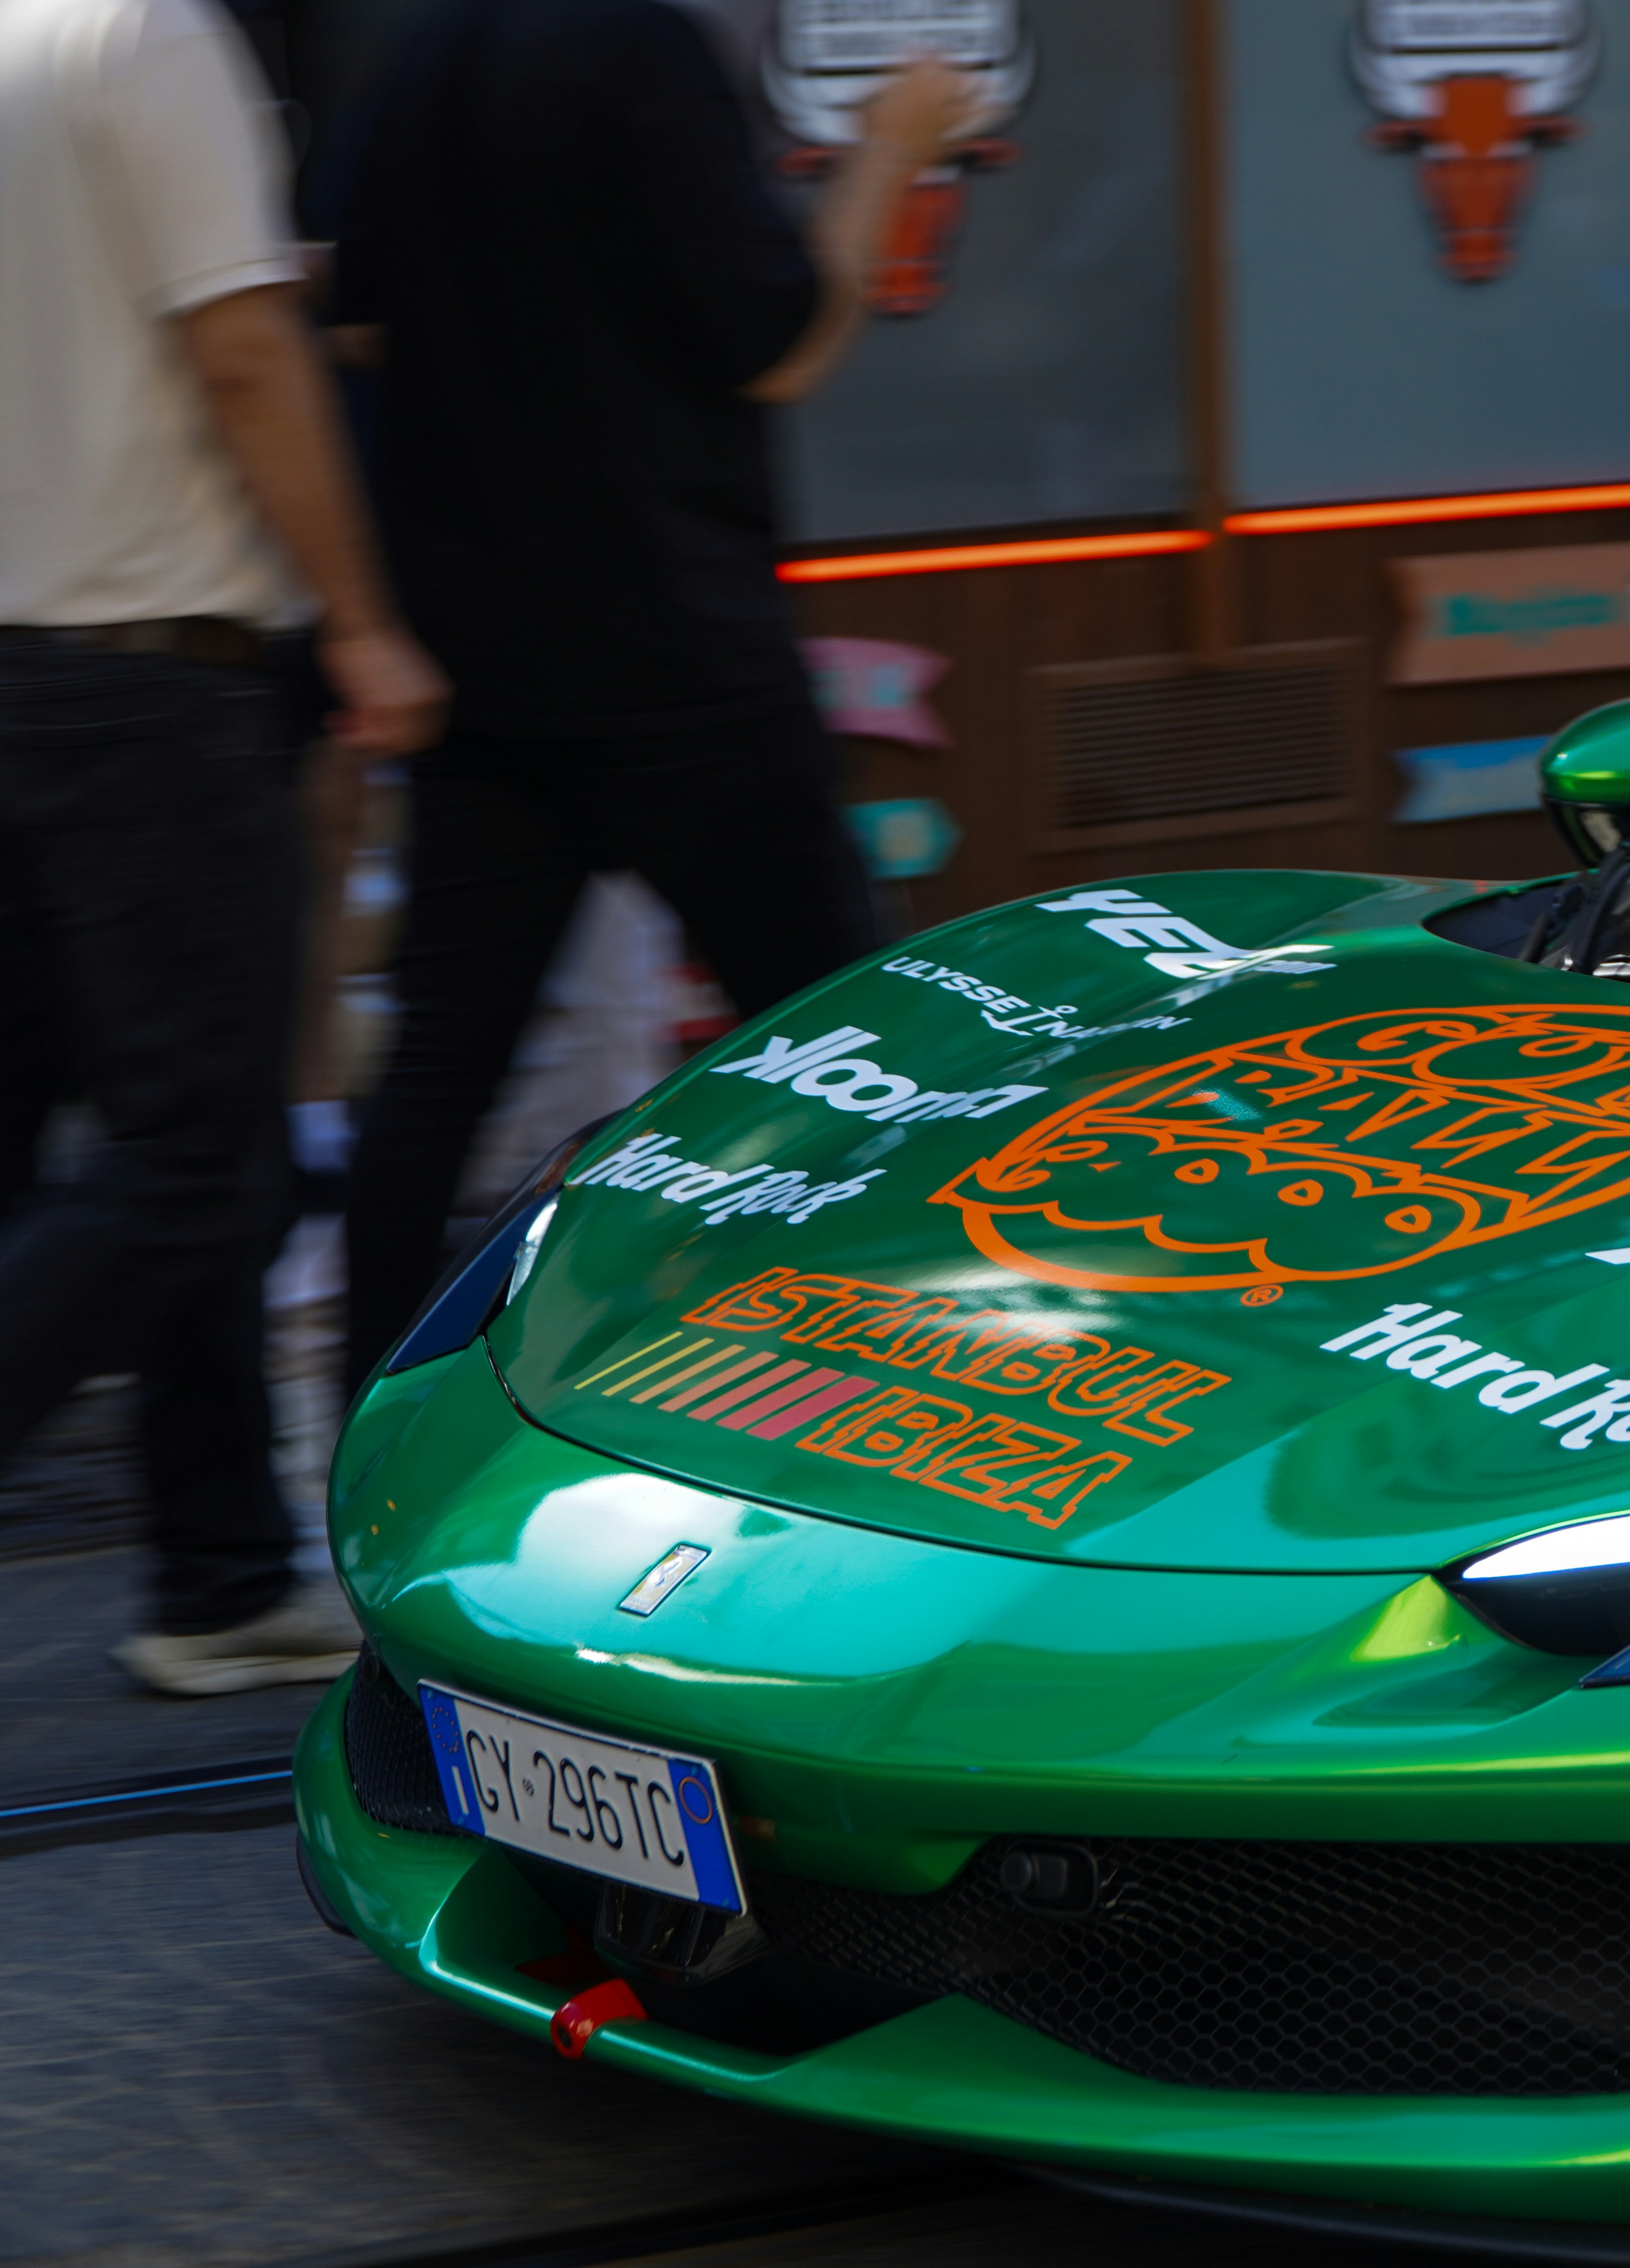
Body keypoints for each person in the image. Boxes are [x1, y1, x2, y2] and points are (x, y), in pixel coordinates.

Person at [329, 2, 974, 1393]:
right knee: (858, 1058)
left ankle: (361, 1436)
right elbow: (782, 342)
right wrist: (893, 145)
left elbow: (360, 322)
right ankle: (902, 1411)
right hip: (679, 650)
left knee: (433, 1085)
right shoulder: (641, 47)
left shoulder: (423, 48)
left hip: (481, 659)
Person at [0, 0, 447, 1692]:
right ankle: (220, 1567)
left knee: (127, 1152)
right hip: (148, 677)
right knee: (196, 1161)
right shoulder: (143, 38)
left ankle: (220, 1570)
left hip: (24, 670)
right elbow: (244, 351)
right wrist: (362, 620)